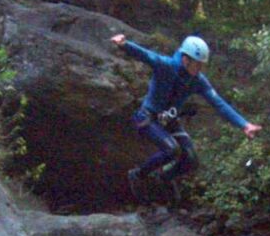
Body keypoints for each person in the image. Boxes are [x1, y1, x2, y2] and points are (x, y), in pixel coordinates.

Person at [110, 33, 261, 203]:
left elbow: (219, 104)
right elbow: (146, 55)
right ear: (185, 59)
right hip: (147, 118)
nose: (200, 69)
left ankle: (164, 180)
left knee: (191, 159)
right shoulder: (165, 66)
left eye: (202, 65)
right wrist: (124, 44)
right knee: (171, 149)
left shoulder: (198, 81)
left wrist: (244, 125)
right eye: (198, 65)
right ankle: (138, 175)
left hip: (169, 121)